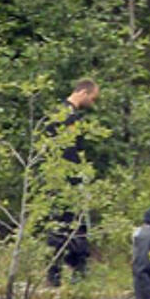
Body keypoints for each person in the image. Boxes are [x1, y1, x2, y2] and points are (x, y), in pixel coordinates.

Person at [46, 78, 100, 286]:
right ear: (84, 93)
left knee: (68, 227)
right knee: (68, 227)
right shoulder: (67, 117)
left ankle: (70, 275)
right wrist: (76, 180)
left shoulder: (59, 113)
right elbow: (67, 153)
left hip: (58, 181)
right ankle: (63, 275)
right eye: (93, 98)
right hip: (65, 183)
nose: (93, 103)